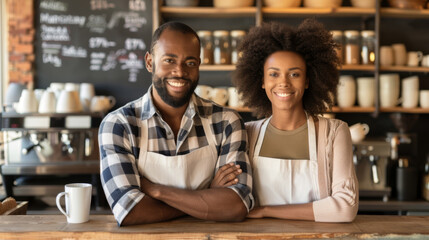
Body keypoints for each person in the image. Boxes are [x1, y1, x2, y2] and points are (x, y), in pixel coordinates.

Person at [99, 21, 253, 226]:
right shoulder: (119, 125)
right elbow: (129, 211)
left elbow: (235, 206)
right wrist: (207, 198)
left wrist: (156, 191)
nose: (179, 71)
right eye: (169, 60)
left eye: (190, 63)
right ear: (149, 62)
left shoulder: (226, 122)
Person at [231, 19, 358, 222]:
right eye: (274, 74)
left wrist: (266, 211)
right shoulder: (246, 133)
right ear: (262, 81)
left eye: (294, 74)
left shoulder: (334, 132)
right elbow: (231, 197)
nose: (283, 82)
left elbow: (345, 207)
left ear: (307, 81)